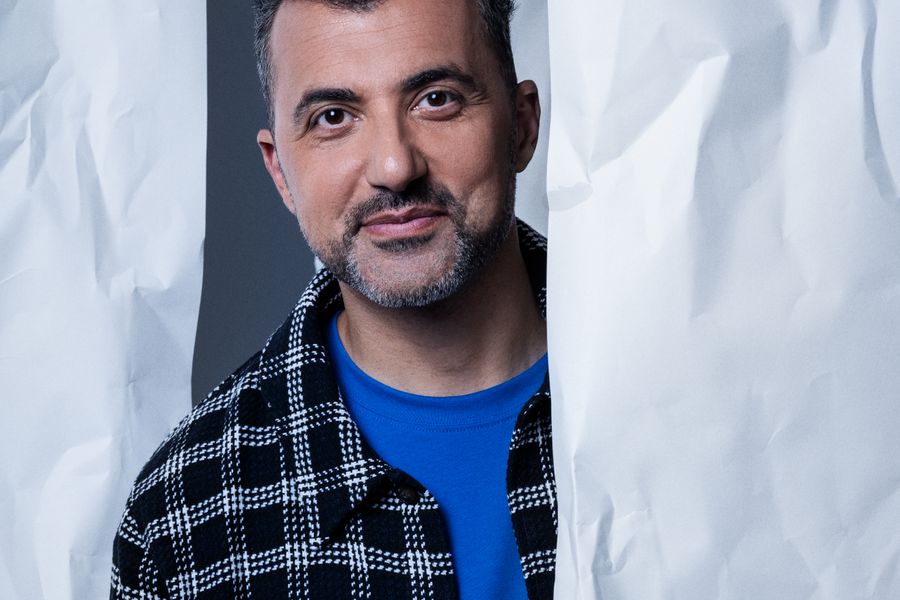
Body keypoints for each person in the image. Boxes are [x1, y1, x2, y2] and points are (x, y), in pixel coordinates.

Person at [110, 0, 556, 598]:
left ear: (521, 125)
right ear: (280, 173)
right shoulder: (183, 513)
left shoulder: (671, 388)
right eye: (333, 117)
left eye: (436, 99)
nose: (395, 166)